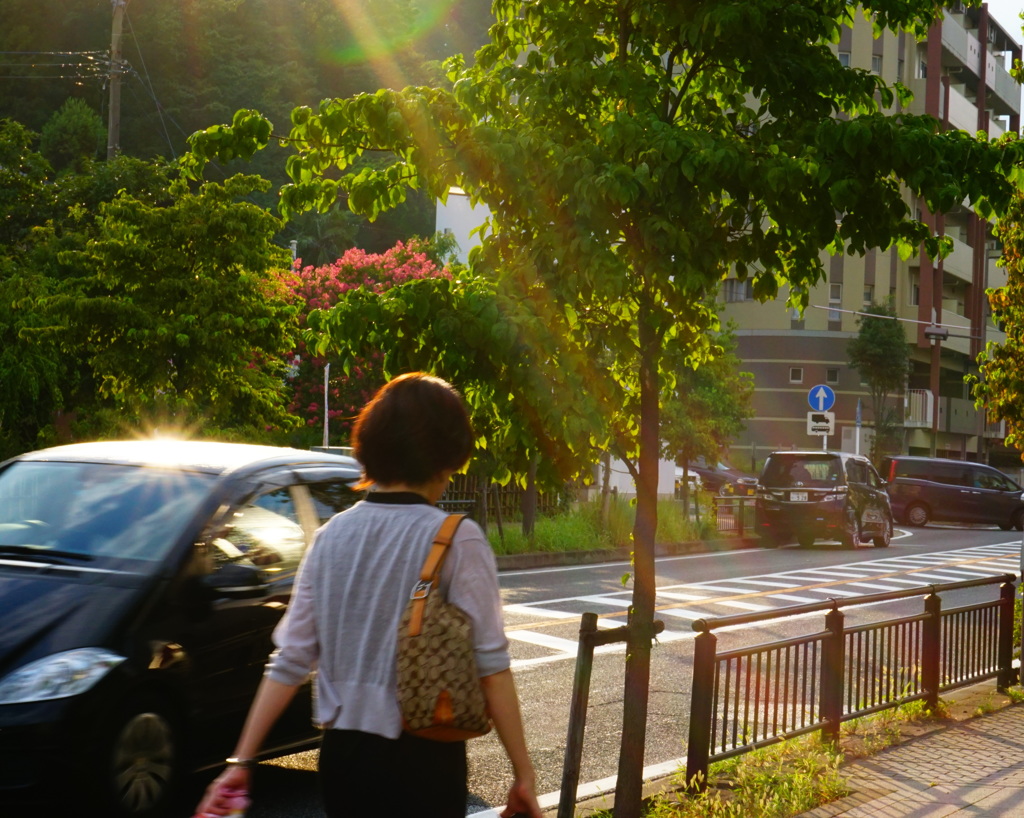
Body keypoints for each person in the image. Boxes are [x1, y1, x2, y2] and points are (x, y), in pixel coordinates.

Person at [193, 372, 542, 818]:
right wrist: (523, 775)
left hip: (344, 761)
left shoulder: (331, 536)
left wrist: (241, 762)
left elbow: (290, 660)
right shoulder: (458, 540)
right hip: (425, 761)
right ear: (446, 456)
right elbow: (491, 666)